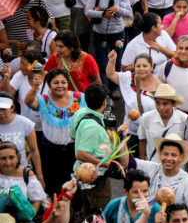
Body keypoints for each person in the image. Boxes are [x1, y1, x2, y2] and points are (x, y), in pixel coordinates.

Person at [25, 68, 85, 196]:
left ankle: (77, 212)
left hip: (73, 150)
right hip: (50, 151)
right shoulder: (43, 100)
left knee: (75, 182)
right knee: (53, 184)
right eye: (55, 82)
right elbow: (29, 102)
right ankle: (55, 211)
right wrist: (35, 86)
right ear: (48, 84)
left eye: (63, 82)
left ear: (68, 83)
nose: (60, 86)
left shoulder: (80, 98)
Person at [128, 133, 188, 223]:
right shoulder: (152, 168)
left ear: (181, 157)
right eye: (165, 154)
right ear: (160, 154)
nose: (169, 158)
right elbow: (129, 162)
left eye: (173, 155)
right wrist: (122, 137)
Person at [70, 83, 120, 212]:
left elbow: (73, 136)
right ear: (104, 102)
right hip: (94, 179)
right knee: (99, 214)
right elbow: (80, 154)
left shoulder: (81, 113)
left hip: (86, 176)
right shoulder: (93, 127)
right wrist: (105, 163)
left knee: (88, 211)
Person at [84, 0, 132, 97]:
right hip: (99, 32)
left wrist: (118, 10)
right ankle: (104, 89)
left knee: (116, 61)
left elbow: (129, 12)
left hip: (117, 32)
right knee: (102, 62)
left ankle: (116, 86)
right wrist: (103, 14)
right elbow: (87, 11)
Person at [107, 51, 160, 152]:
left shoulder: (159, 84)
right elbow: (111, 74)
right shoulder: (128, 78)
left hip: (150, 132)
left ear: (151, 67)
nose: (141, 69)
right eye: (138, 66)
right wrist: (112, 61)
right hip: (130, 130)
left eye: (145, 66)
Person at [0, 141, 45, 223]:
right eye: (3, 158)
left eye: (11, 157)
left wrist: (29, 217)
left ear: (18, 158)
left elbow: (37, 199)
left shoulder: (27, 175)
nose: (8, 162)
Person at [0, 91, 43, 185]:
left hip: (20, 173)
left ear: (12, 108)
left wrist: (39, 176)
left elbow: (34, 150)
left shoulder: (25, 123)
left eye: (4, 109)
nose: (1, 112)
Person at [137, 83, 187, 161]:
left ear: (173, 104)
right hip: (153, 166)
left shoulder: (184, 119)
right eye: (158, 103)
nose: (161, 107)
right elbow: (142, 141)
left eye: (165, 104)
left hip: (177, 167)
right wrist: (143, 161)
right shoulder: (146, 118)